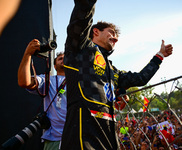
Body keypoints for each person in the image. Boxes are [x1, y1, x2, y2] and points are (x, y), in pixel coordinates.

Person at [61, 0, 173, 149]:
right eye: (111, 33)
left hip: (109, 132)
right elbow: (80, 20)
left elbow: (141, 78)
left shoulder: (112, 69)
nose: (116, 38)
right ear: (95, 31)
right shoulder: (80, 49)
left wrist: (159, 56)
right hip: (83, 129)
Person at [18, 39, 66, 150]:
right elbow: (24, 82)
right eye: (60, 59)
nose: (63, 60)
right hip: (55, 139)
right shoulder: (48, 80)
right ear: (54, 66)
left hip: (79, 137)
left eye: (66, 58)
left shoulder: (80, 81)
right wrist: (27, 54)